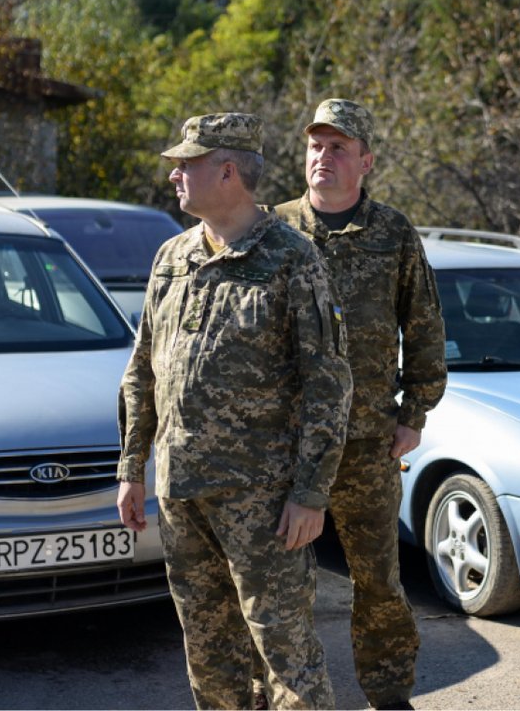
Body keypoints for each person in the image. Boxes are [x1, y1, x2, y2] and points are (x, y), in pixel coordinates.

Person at [116, 112, 353, 710]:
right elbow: (144, 368)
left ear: (227, 171)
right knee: (209, 648)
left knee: (286, 653)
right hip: (181, 491)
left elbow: (328, 382)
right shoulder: (171, 257)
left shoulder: (291, 258)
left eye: (186, 164)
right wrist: (130, 466)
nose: (174, 174)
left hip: (264, 501)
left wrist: (311, 492)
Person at [262, 99, 447, 711]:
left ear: (365, 161)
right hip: (284, 446)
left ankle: (390, 693)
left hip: (366, 441)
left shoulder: (393, 233)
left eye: (338, 147)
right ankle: (287, 695)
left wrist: (414, 413)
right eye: (316, 145)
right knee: (279, 585)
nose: (324, 156)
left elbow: (423, 326)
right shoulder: (272, 229)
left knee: (378, 582)